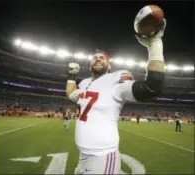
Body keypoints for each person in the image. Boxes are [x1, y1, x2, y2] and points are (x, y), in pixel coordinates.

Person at [66, 20, 166, 174]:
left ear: (109, 65)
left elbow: (152, 87)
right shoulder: (85, 83)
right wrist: (72, 76)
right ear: (90, 64)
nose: (98, 59)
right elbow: (72, 94)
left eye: (102, 58)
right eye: (95, 58)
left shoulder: (115, 81)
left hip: (103, 157)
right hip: (82, 155)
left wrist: (155, 44)